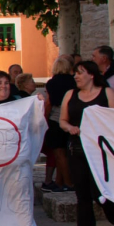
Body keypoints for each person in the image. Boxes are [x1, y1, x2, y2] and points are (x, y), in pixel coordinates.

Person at [59, 61, 114, 226]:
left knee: (100, 193)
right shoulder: (70, 95)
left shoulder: (107, 93)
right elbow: (63, 120)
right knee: (82, 196)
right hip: (77, 150)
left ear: (91, 75)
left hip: (100, 152)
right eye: (75, 73)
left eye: (80, 73)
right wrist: (70, 127)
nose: (75, 76)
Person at [41, 56, 77, 193]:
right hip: (72, 119)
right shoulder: (74, 81)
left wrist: (45, 118)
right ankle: (59, 181)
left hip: (56, 118)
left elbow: (49, 102)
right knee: (67, 153)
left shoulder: (52, 83)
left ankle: (68, 182)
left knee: (59, 154)